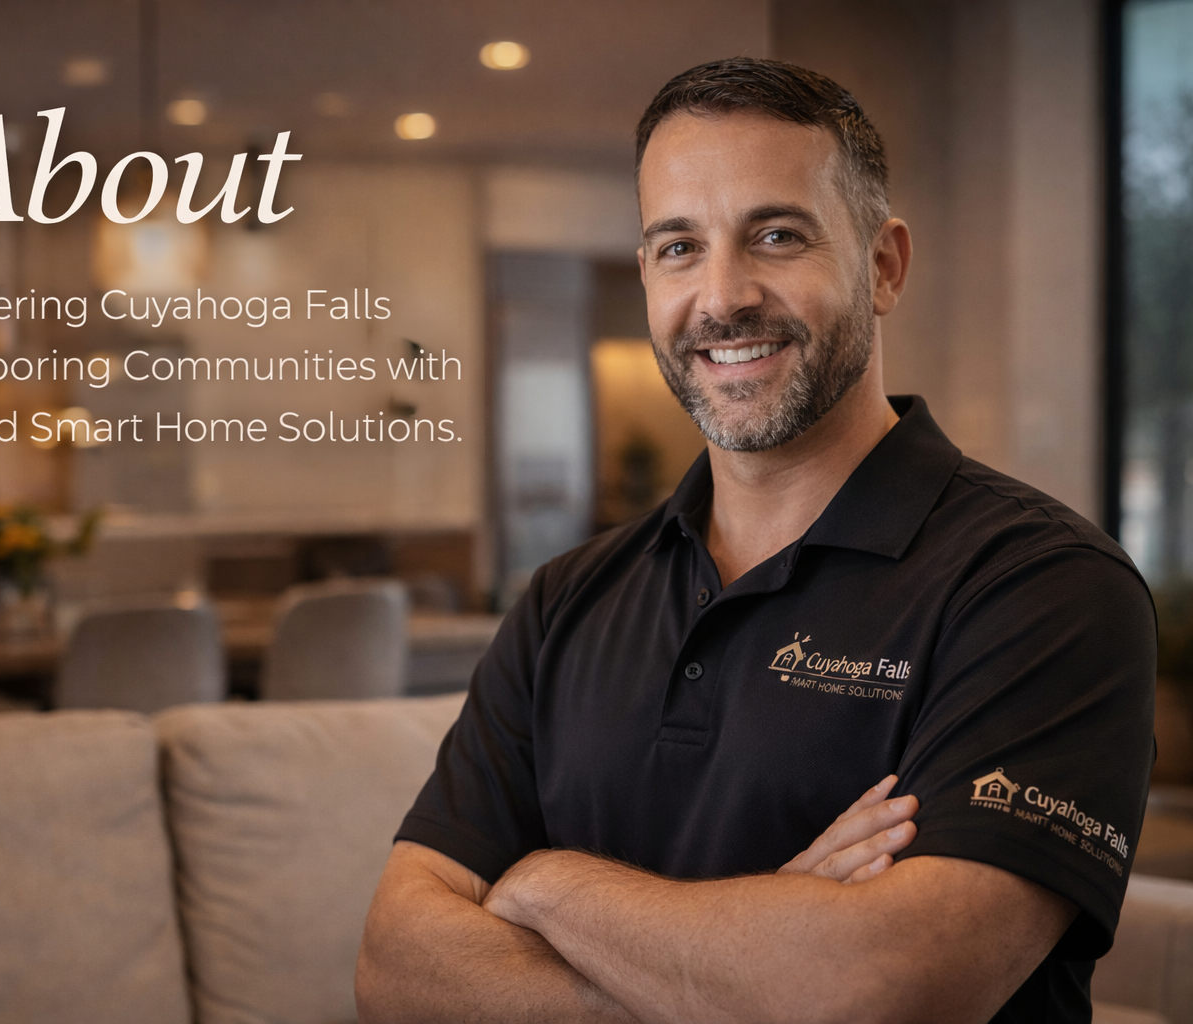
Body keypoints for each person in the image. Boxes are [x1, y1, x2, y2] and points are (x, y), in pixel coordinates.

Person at [355, 57, 1156, 1024]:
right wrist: (755, 967)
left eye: (776, 236)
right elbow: (396, 968)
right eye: (678, 247)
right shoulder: (567, 599)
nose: (722, 296)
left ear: (885, 264)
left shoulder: (1042, 589)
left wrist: (549, 885)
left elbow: (888, 989)